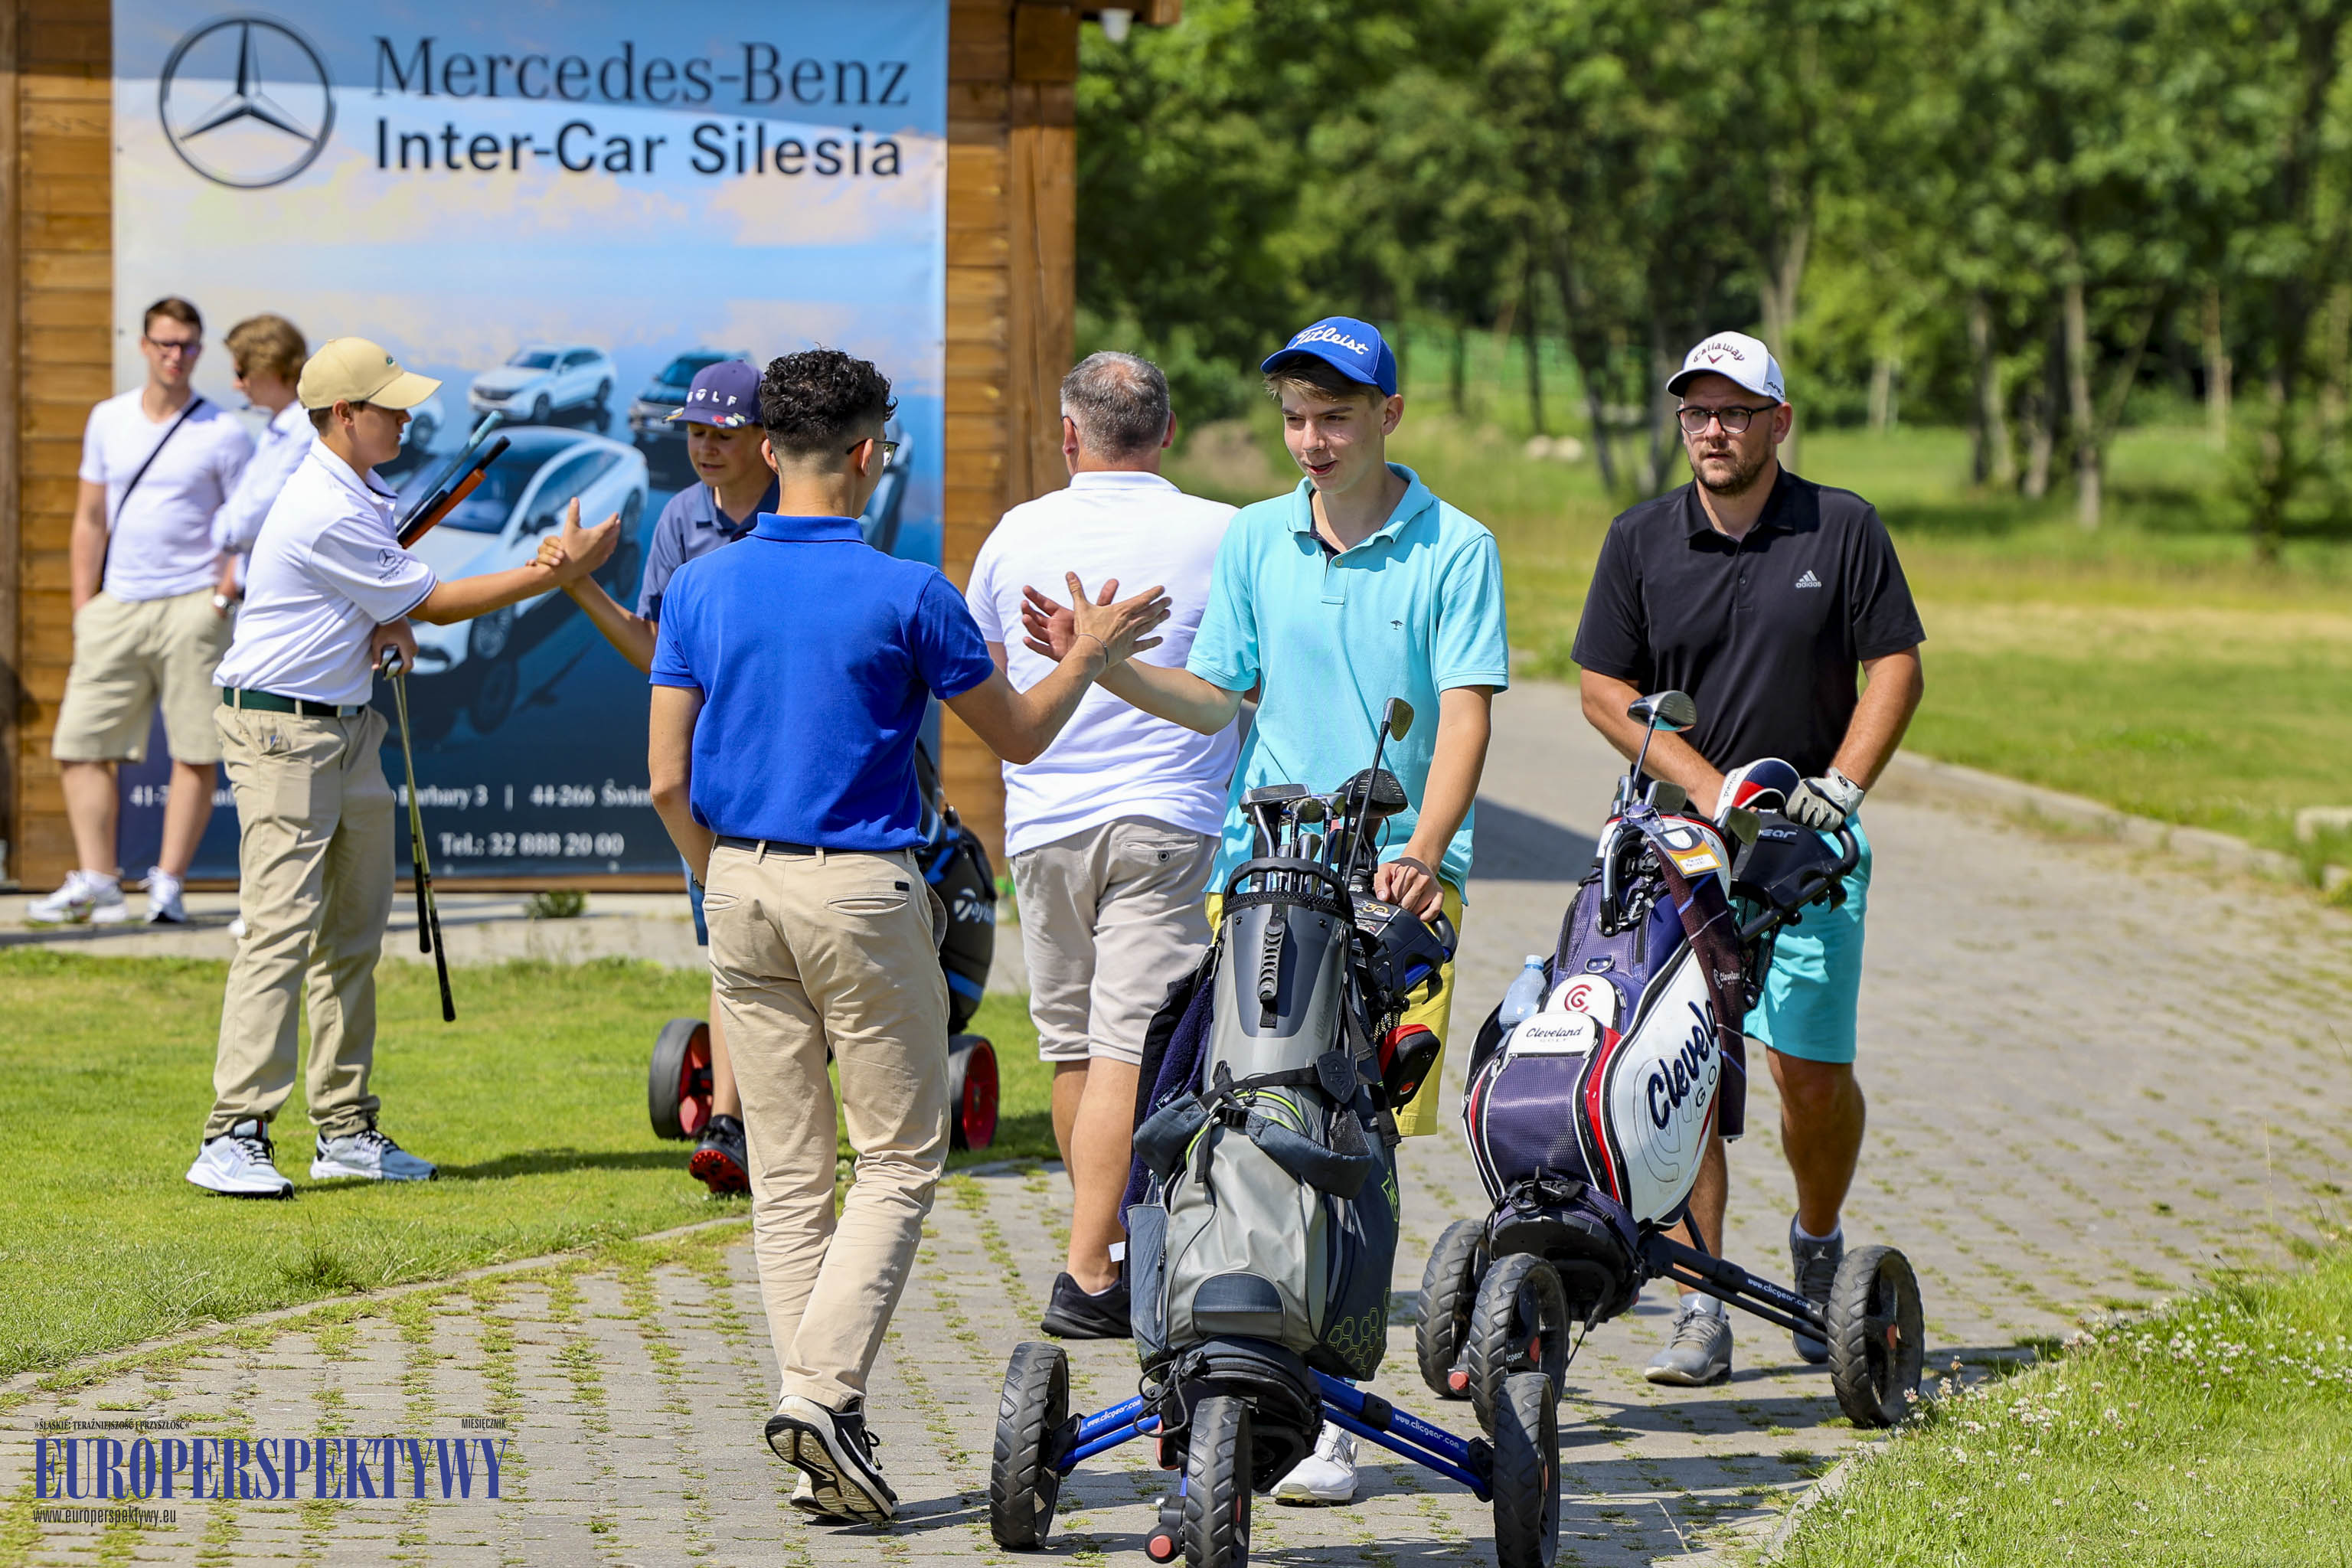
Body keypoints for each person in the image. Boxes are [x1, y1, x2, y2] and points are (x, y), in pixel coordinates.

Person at [645, 348, 1169, 1524]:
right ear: (872, 454)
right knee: (898, 1160)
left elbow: (666, 778)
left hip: (736, 886)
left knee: (788, 1178)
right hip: (864, 894)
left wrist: (719, 877)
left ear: (770, 450)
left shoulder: (700, 588)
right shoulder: (910, 593)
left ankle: (817, 1439)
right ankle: (823, 1400)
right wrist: (1086, 651)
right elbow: (1023, 737)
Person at [1022, 316, 1509, 1504]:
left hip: (1395, 881)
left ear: (1389, 415)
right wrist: (1103, 665)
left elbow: (1465, 714)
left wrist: (1424, 855)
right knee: (1238, 1113)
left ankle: (1333, 1412)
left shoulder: (1455, 545)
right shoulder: (1254, 537)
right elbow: (1217, 697)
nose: (1311, 440)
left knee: (1357, 1128)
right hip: (1266, 874)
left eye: (1334, 417)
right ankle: (1210, 1357)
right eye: (1295, 418)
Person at [1570, 330, 1926, 1387]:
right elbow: (1601, 687)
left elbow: (1896, 666)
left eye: (1734, 412)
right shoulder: (1640, 538)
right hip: (1680, 845)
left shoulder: (1843, 526)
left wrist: (1843, 794)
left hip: (1808, 849)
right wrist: (1715, 785)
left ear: (1779, 421)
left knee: (1808, 1078)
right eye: (1696, 412)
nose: (1713, 430)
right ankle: (1699, 1302)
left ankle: (1817, 1250)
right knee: (1678, 1073)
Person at [186, 338, 619, 1200]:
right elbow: (434, 599)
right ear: (344, 415)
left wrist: (379, 621)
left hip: (345, 728)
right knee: (278, 930)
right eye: (389, 405)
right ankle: (232, 1131)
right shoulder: (325, 505)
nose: (407, 416)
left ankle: (343, 1127)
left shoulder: (361, 489)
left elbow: (388, 605)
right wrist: (555, 572)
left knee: (352, 932)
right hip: (282, 736)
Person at [965, 351, 1237, 1341]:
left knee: (1078, 1045)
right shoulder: (1225, 533)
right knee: (1130, 1046)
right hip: (1167, 817)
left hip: (1042, 821)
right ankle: (1093, 1268)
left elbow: (986, 681)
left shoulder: (1014, 535)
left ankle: (1106, 1253)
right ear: (1166, 434)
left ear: (1069, 437)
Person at [546, 358, 777, 1196]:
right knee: (732, 951)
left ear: (765, 438)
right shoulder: (682, 518)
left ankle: (767, 1117)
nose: (705, 447)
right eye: (694, 432)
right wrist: (580, 587)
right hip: (714, 768)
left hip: (790, 760)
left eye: (722, 432)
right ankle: (731, 1124)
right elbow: (657, 652)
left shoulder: (807, 506)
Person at [30, 297, 253, 926]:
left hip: (193, 604)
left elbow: (249, 522)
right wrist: (84, 605)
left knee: (194, 748)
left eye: (185, 345)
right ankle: (99, 880)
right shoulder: (109, 418)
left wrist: (222, 596)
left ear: (200, 350)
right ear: (144, 345)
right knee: (79, 743)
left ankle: (168, 886)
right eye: (164, 344)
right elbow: (89, 518)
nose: (174, 356)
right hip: (118, 602)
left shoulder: (224, 431)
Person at [213, 314, 313, 591]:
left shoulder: (307, 433)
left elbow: (244, 525)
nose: (237, 385)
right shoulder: (277, 429)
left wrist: (226, 529)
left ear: (270, 367)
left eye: (241, 373)